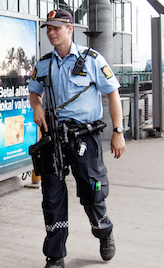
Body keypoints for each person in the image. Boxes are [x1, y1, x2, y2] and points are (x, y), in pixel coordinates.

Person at [28, 9, 126, 268]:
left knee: (92, 191)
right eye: (48, 28)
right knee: (52, 196)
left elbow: (113, 94)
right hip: (53, 138)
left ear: (70, 28)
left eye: (56, 28)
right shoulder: (44, 63)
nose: (51, 32)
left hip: (84, 136)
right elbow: (34, 93)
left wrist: (118, 132)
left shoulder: (92, 59)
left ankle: (104, 231)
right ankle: (55, 255)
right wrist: (36, 106)